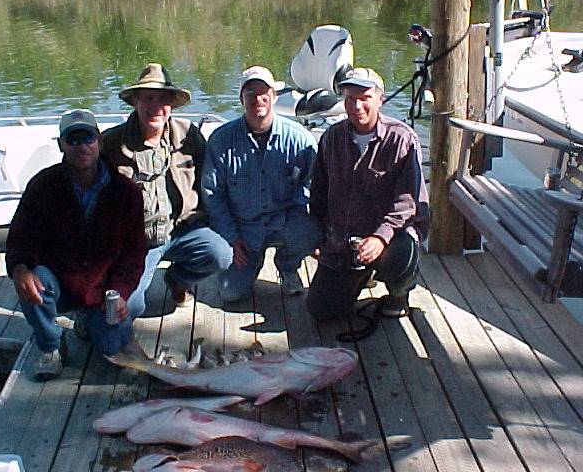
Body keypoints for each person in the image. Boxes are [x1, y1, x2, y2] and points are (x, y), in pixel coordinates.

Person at [6, 109, 147, 381]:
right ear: (61, 145)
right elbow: (20, 237)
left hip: (102, 290)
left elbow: (134, 253)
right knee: (33, 281)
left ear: (99, 142)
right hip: (58, 282)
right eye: (73, 140)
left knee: (116, 351)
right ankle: (50, 343)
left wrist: (119, 291)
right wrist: (20, 268)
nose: (82, 146)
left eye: (88, 138)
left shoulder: (126, 191)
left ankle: (87, 318)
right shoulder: (42, 185)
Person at [100, 63, 232, 313]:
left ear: (171, 104)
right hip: (137, 242)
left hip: (182, 229)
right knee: (129, 308)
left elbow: (209, 184)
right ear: (135, 101)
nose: (156, 106)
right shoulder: (111, 142)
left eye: (163, 99)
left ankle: (178, 280)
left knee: (220, 254)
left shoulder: (188, 135)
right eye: (148, 98)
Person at [306, 68, 429, 320]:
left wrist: (380, 238)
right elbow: (319, 193)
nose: (357, 106)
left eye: (365, 98)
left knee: (405, 251)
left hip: (389, 236)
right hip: (343, 242)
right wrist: (317, 236)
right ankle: (361, 277)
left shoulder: (402, 139)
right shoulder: (331, 137)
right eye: (350, 98)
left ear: (380, 99)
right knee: (320, 311)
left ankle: (398, 293)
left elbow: (408, 204)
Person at [202, 66, 321, 301]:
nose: (258, 98)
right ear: (241, 99)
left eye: (263, 92)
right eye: (250, 93)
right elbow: (212, 195)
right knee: (231, 293)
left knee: (310, 231)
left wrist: (300, 209)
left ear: (274, 96)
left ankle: (287, 266)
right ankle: (250, 263)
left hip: (284, 219)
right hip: (242, 227)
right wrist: (230, 237)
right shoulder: (220, 140)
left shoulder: (300, 138)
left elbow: (315, 185)